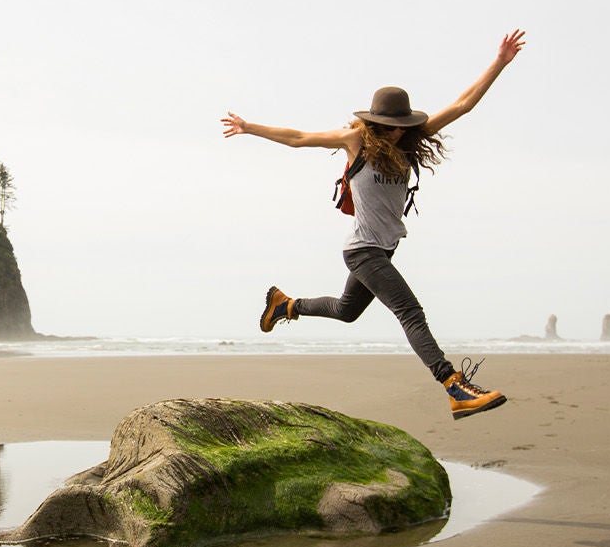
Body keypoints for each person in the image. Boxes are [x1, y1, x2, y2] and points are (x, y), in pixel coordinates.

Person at [220, 29, 526, 420]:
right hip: (363, 251)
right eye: (392, 124)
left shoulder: (410, 139)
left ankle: (285, 305)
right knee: (411, 313)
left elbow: (463, 104)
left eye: (404, 123)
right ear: (376, 122)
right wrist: (250, 127)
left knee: (347, 310)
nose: (400, 130)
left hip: (382, 249)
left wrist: (499, 63)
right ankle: (454, 387)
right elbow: (298, 137)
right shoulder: (355, 142)